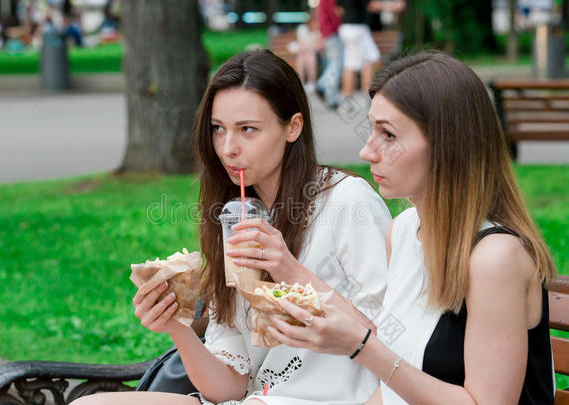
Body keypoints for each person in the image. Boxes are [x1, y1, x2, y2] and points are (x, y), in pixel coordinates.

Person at [71, 49, 391, 405]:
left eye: (247, 130)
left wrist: (289, 270)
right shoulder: (231, 217)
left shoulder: (346, 202)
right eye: (218, 129)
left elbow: (391, 337)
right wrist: (176, 327)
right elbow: (229, 387)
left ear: (293, 127)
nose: (227, 148)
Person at [267, 51, 557, 404]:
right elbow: (391, 386)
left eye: (387, 135)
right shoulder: (404, 231)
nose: (366, 151)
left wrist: (361, 347)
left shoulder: (495, 258)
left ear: (447, 145)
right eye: (372, 129)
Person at [336, 0, 405, 100]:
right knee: (353, 64)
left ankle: (362, 94)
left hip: (347, 27)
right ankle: (349, 97)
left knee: (368, 58)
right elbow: (371, 5)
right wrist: (394, 6)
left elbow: (338, 10)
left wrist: (350, 13)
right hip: (357, 28)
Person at [315, 0, 343, 109]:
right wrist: (340, 26)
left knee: (333, 64)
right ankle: (330, 96)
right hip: (333, 33)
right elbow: (335, 14)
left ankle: (322, 85)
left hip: (327, 34)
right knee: (336, 65)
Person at [293, 12, 322, 94]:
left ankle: (311, 82)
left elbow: (318, 46)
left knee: (309, 55)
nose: (317, 24)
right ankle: (303, 82)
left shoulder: (318, 32)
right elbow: (301, 43)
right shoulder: (302, 28)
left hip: (313, 54)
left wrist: (309, 47)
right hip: (303, 53)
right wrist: (309, 47)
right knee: (303, 57)